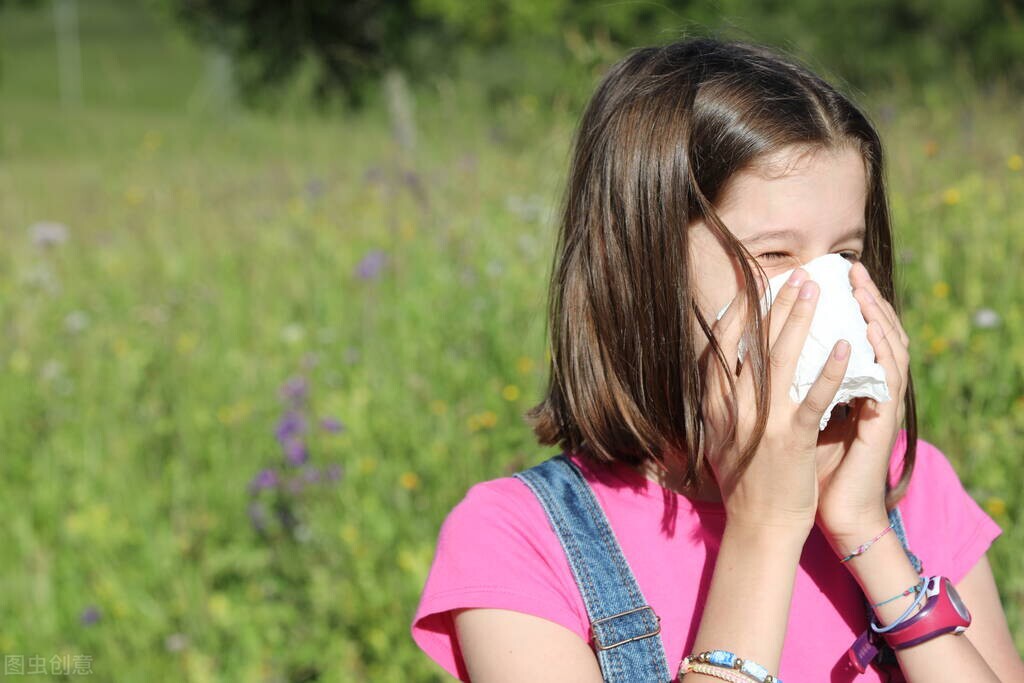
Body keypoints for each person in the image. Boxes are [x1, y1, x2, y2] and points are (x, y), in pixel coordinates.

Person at [410, 36, 1024, 682]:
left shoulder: (905, 483)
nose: (820, 294)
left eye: (844, 256)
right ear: (643, 269)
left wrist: (868, 535)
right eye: (775, 257)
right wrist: (764, 528)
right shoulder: (521, 538)